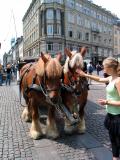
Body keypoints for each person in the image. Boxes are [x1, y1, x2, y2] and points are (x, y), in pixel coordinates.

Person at [76, 57, 120, 160]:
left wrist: (107, 102)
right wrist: (85, 74)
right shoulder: (111, 78)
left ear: (110, 68)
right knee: (113, 141)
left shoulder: (118, 81)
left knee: (118, 141)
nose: (102, 68)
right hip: (111, 116)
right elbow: (99, 79)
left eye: (104, 66)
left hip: (118, 117)